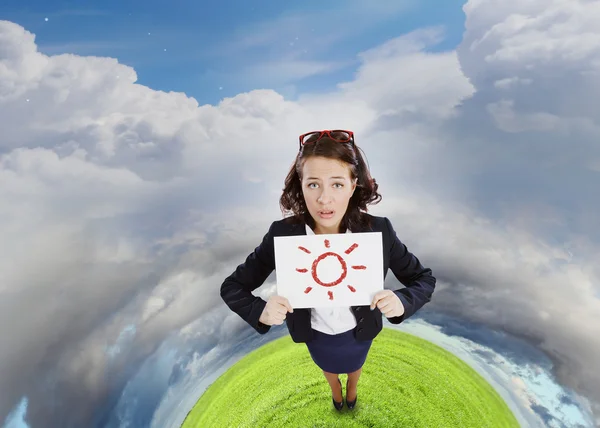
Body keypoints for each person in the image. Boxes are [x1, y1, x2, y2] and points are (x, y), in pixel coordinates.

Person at [220, 129, 436, 411]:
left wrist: (402, 301)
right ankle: (336, 393)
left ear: (353, 184)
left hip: (361, 329)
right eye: (313, 185)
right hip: (315, 334)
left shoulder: (379, 230)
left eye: (336, 184)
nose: (324, 199)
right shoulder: (282, 234)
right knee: (329, 368)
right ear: (301, 184)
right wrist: (259, 310)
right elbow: (232, 287)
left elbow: (423, 279)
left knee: (355, 365)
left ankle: (353, 390)